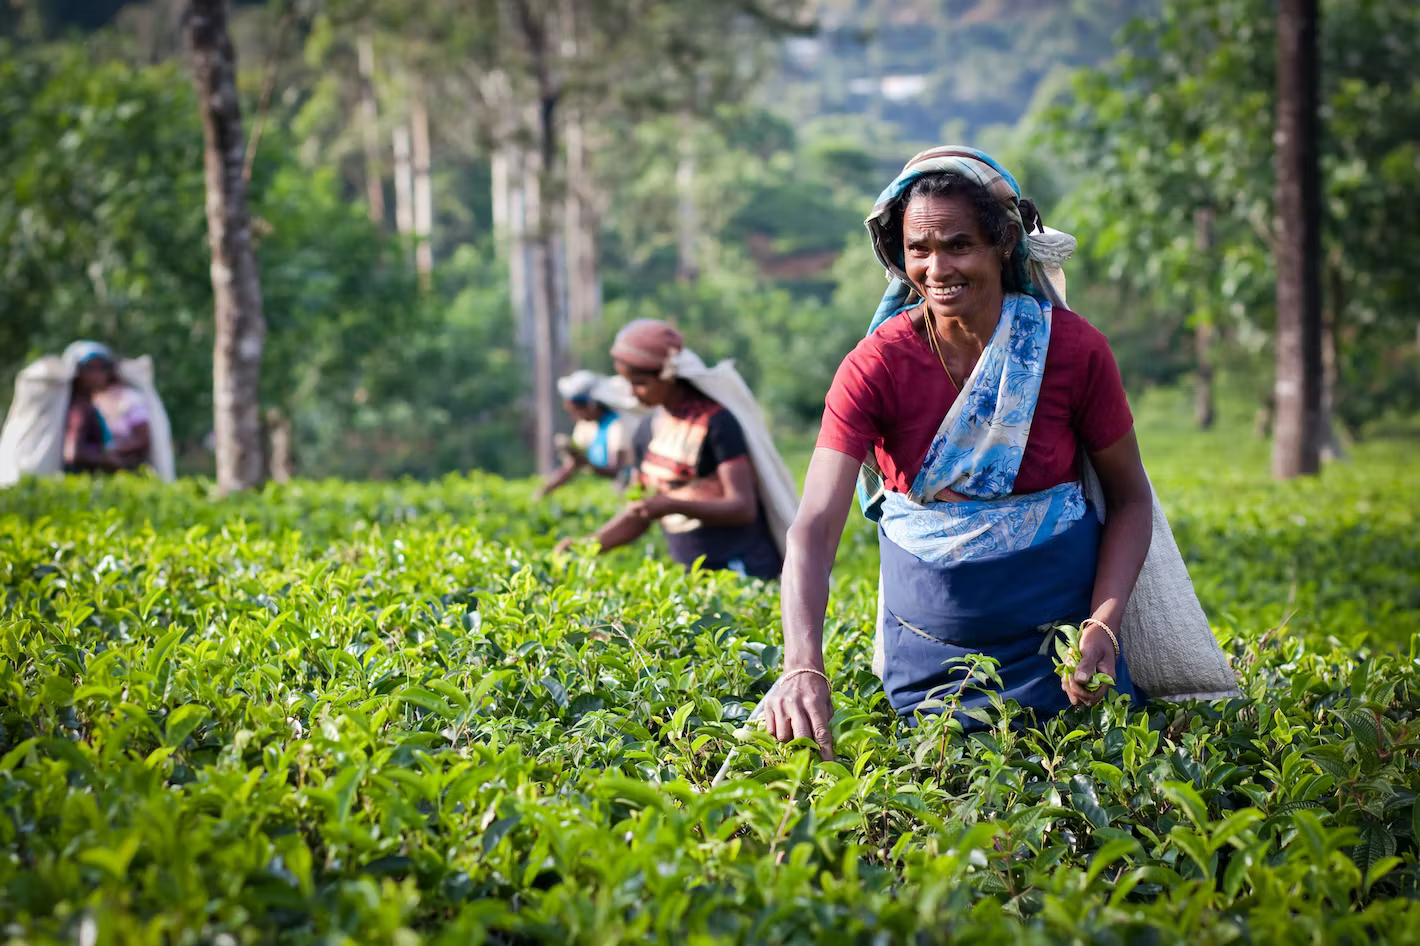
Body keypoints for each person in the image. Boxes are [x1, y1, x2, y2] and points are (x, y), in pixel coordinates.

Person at [767, 147, 1156, 758]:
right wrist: (801, 667)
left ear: (1003, 243)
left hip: (1065, 662)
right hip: (928, 665)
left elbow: (1132, 499)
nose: (937, 267)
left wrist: (1102, 625)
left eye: (959, 245)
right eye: (919, 249)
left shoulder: (1073, 352)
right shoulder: (876, 367)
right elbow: (814, 529)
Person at [555, 319, 799, 580]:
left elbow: (742, 507)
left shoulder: (715, 423)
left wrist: (673, 504)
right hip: (691, 572)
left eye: (640, 383)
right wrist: (588, 546)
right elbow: (641, 513)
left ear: (668, 376)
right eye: (628, 383)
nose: (633, 394)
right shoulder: (647, 429)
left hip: (742, 569)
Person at [536, 370, 640, 499]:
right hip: (602, 495)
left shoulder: (617, 425)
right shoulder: (585, 426)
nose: (574, 417)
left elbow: (618, 471)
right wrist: (544, 491)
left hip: (624, 493)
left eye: (577, 411)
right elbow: (571, 466)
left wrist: (587, 463)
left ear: (592, 405)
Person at [62, 342, 152, 474]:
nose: (98, 375)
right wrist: (107, 459)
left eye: (102, 368)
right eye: (90, 368)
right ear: (77, 372)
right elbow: (72, 452)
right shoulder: (80, 408)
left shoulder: (89, 403)